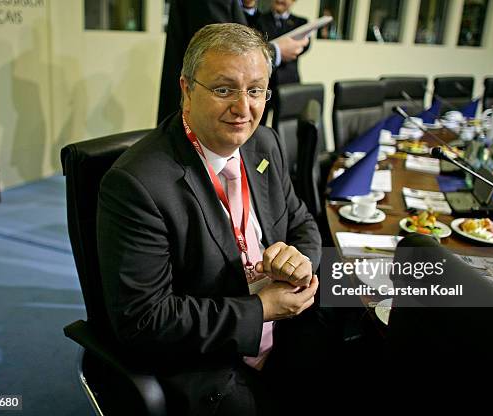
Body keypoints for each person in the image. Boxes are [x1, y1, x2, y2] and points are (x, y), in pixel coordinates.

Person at [98, 23, 341, 415]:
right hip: (209, 359)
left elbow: (303, 221)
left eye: (256, 90)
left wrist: (301, 261)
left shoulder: (265, 143)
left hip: (286, 331)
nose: (243, 108)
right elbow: (145, 320)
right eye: (224, 89)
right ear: (186, 91)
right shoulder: (137, 184)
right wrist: (260, 310)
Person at [157, 0, 309, 124]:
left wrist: (247, 7)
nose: (243, 109)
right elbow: (223, 49)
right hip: (196, 120)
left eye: (255, 91)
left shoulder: (270, 144)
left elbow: (241, 31)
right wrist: (276, 51)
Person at [255, 0, 310, 118]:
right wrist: (280, 49)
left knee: (287, 124)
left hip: (289, 83)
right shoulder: (258, 19)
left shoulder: (301, 23)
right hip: (265, 82)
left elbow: (304, 46)